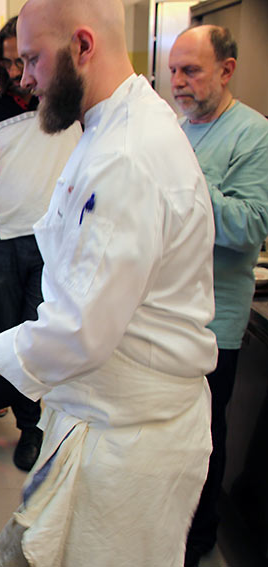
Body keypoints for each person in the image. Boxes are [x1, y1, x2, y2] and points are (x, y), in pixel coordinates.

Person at [0, 0, 217, 565]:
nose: (23, 77)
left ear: (82, 47)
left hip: (130, 440)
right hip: (97, 415)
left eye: (32, 59)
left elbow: (79, 332)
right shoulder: (107, 127)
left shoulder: (128, 155)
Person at [0, 17, 81, 470]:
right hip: (2, 239)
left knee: (35, 340)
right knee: (6, 333)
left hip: (53, 241)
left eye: (22, 60)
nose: (14, 72)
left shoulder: (66, 103)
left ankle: (16, 418)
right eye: (5, 63)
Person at [169, 25, 268, 567]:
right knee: (176, 437)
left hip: (215, 323)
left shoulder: (254, 135)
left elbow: (249, 227)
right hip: (173, 315)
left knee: (204, 439)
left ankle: (199, 537)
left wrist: (185, 179)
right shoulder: (183, 129)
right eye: (175, 70)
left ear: (226, 71)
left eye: (192, 71)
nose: (178, 82)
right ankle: (173, 525)